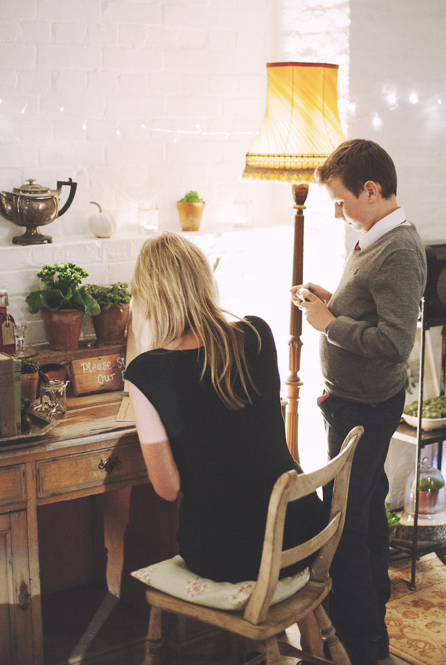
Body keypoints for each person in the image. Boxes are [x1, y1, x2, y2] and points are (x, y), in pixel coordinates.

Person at [124, 231, 329, 656]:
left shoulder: (147, 372)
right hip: (302, 526)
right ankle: (308, 642)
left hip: (229, 553)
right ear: (204, 281)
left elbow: (168, 489)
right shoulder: (257, 333)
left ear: (147, 297)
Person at [292, 138, 426, 665]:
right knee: (365, 517)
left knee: (344, 529)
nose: (338, 211)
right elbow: (370, 313)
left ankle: (360, 645)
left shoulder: (398, 249)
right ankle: (373, 638)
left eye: (342, 200)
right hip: (352, 402)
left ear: (371, 190)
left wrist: (330, 324)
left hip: (366, 409)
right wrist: (333, 302)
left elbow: (396, 343)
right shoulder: (375, 237)